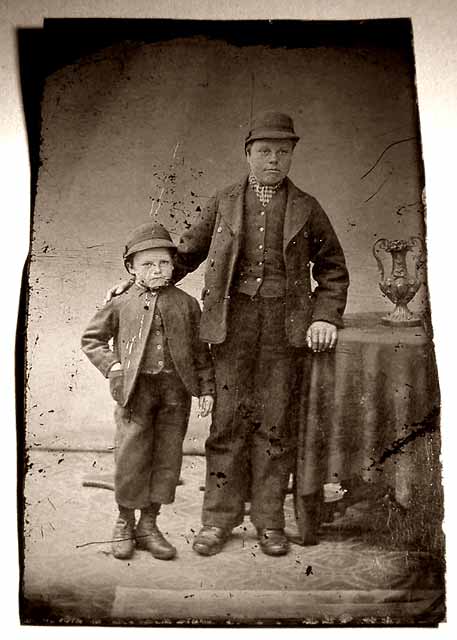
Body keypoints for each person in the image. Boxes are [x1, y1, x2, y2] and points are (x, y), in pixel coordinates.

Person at [106, 111, 349, 557]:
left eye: (282, 151)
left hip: (284, 329)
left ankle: (270, 522)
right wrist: (140, 281)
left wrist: (324, 317)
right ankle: (217, 520)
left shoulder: (308, 207)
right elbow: (184, 254)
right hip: (230, 328)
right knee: (227, 424)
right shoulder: (223, 202)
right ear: (248, 154)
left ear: (293, 154)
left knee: (275, 426)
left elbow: (333, 270)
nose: (273, 159)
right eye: (264, 151)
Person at [81, 222, 215, 560]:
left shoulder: (186, 304)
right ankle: (124, 522)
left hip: (175, 393)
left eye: (164, 263)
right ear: (131, 268)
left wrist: (207, 389)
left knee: (167, 458)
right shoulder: (121, 302)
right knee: (131, 457)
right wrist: (113, 368)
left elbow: (201, 353)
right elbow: (92, 339)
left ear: (174, 265)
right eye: (147, 264)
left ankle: (149, 524)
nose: (157, 270)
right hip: (135, 394)